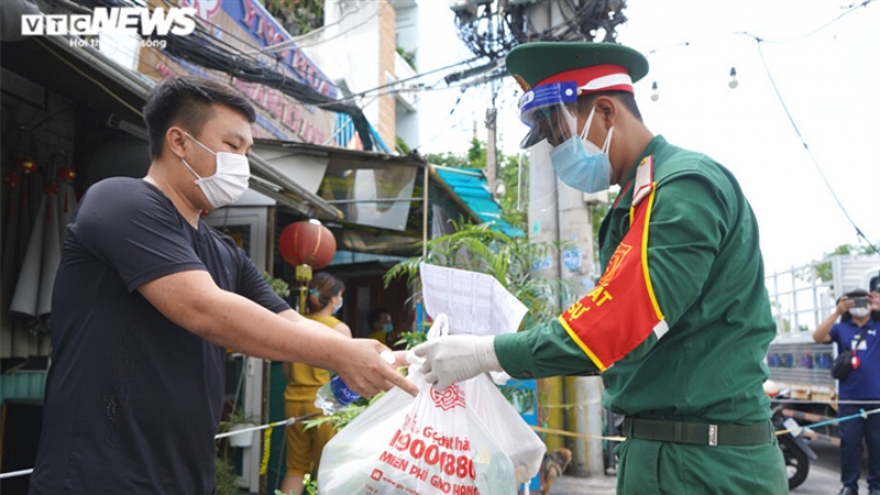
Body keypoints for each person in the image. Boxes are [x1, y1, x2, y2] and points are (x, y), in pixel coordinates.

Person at [413, 42, 787, 493]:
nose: (557, 153)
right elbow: (618, 338)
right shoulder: (637, 199)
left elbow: (616, 322)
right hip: (666, 453)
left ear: (606, 112)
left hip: (705, 466)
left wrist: (484, 352)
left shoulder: (683, 187)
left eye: (559, 136)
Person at [29, 76, 416, 495]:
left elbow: (289, 321)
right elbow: (204, 309)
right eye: (233, 148)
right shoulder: (120, 202)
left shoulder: (223, 252)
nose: (242, 164)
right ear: (179, 142)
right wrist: (341, 354)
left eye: (248, 152)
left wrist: (381, 357)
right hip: (97, 478)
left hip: (184, 477)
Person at [280, 272, 351, 495]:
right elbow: (347, 374)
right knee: (327, 469)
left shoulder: (296, 324)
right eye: (340, 295)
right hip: (325, 406)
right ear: (332, 300)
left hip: (293, 401)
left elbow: (286, 370)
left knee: (295, 469)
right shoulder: (338, 328)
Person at [814, 289, 880, 495]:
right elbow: (818, 336)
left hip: (876, 399)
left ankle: (876, 486)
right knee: (849, 444)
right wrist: (836, 312)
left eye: (864, 301)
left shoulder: (877, 326)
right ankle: (849, 486)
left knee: (877, 445)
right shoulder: (842, 328)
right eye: (853, 302)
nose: (859, 306)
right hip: (849, 399)